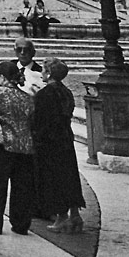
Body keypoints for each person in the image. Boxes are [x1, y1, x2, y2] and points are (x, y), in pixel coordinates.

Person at [31, 60, 85, 232]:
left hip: (49, 141)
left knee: (54, 178)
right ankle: (75, 214)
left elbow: (39, 120)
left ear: (49, 73)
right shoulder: (66, 92)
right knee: (69, 175)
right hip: (65, 138)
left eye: (44, 70)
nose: (42, 73)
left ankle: (61, 217)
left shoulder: (44, 94)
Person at [0, 61, 37, 237]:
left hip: (4, 144)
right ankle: (21, 223)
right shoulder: (27, 98)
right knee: (22, 187)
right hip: (25, 145)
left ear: (1, 76)